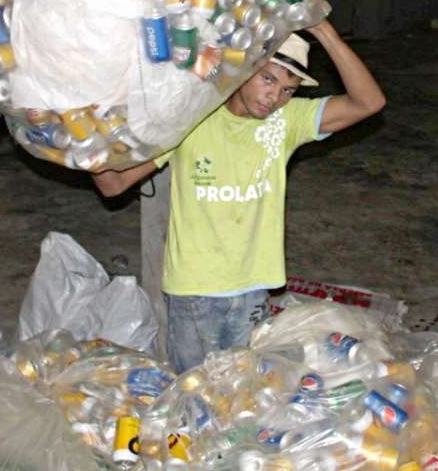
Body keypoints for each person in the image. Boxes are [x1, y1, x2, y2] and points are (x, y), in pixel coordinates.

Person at [92, 21, 385, 371]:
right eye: (268, 79)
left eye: (288, 90)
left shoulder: (286, 121)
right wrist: (87, 142)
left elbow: (369, 102)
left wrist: (326, 33)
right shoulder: (192, 118)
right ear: (243, 71)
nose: (274, 98)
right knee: (195, 398)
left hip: (254, 291)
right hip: (195, 293)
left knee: (243, 401)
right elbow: (112, 185)